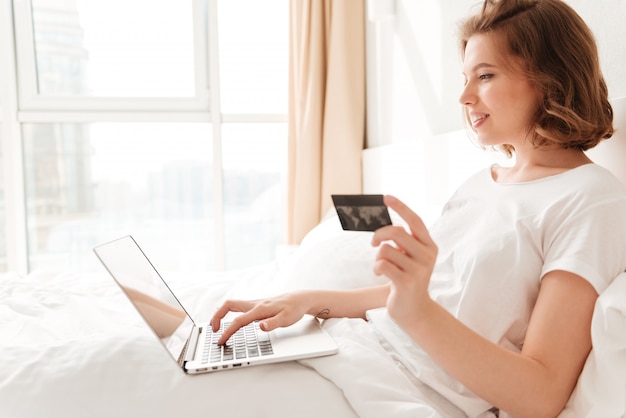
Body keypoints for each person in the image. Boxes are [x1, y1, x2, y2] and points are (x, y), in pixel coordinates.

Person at [211, 1, 626, 417]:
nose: (464, 97)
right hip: (363, 348)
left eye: (484, 76)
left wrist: (416, 312)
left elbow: (541, 394)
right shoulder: (483, 182)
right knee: (185, 343)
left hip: (408, 386)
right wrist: (309, 300)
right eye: (465, 79)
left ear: (550, 79)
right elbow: (420, 299)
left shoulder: (590, 197)